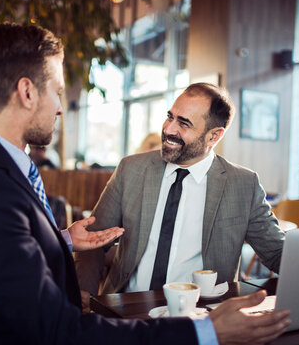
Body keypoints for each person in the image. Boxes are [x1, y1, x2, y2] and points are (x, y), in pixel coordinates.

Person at [0, 24, 290, 345]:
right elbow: (56, 330)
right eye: (58, 91)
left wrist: (61, 240)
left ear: (214, 136)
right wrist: (206, 334)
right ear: (27, 92)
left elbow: (3, 253)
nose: (61, 106)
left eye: (185, 123)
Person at [75, 83, 285, 296]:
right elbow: (92, 241)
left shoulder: (243, 184)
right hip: (127, 307)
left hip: (202, 313)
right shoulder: (131, 169)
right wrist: (85, 295)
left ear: (214, 136)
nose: (168, 129)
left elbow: (277, 253)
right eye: (170, 116)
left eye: (183, 124)